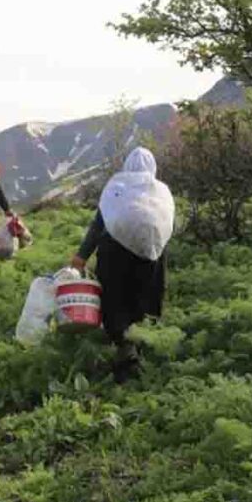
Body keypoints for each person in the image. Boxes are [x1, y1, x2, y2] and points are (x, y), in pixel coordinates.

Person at [70, 148, 170, 382]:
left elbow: (98, 225)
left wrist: (81, 256)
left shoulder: (116, 188)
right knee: (144, 296)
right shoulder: (161, 192)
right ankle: (140, 343)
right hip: (152, 254)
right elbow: (166, 225)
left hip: (115, 254)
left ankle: (124, 350)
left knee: (115, 298)